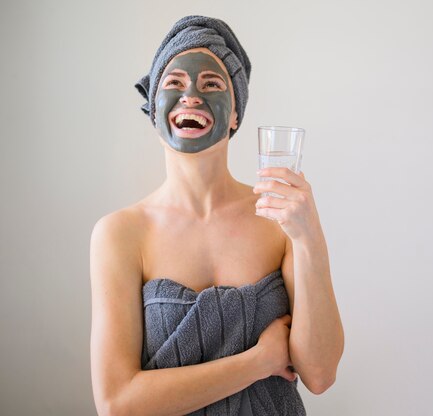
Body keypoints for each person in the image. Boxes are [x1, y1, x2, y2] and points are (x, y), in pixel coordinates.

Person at [89, 15, 344, 416]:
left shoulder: (279, 221)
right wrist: (258, 361)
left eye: (211, 84)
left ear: (235, 115)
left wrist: (310, 236)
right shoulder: (120, 234)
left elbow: (320, 373)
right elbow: (117, 403)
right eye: (173, 83)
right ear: (154, 110)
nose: (191, 95)